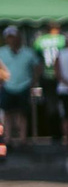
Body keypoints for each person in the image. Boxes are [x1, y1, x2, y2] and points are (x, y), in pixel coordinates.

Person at [0, 27, 36, 160]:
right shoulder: (2, 52)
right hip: (7, 86)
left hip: (23, 86)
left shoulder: (27, 52)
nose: (11, 40)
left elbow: (37, 66)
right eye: (9, 37)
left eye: (13, 37)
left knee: (23, 113)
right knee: (8, 113)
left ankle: (22, 139)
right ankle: (8, 138)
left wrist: (33, 81)